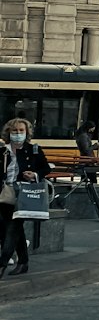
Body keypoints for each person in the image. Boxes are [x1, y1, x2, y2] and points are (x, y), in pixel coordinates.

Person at [0, 118, 51, 280]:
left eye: (21, 131)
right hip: (3, 194)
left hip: (24, 193)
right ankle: (23, 262)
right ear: (8, 132)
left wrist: (35, 175)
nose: (18, 134)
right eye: (14, 131)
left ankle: (2, 263)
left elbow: (45, 168)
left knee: (13, 229)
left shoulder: (33, 149)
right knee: (10, 229)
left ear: (27, 132)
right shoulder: (2, 150)